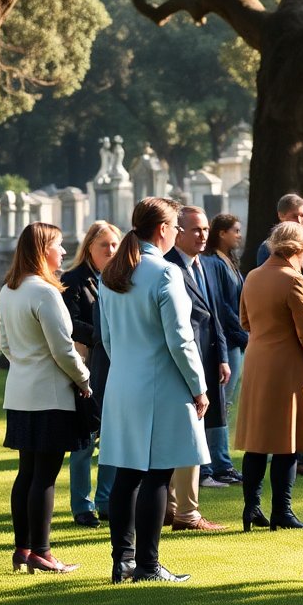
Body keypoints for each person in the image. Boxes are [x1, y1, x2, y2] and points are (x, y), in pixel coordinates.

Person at [98, 197, 211, 584]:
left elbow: (108, 340)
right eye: (177, 227)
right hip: (160, 385)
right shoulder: (164, 272)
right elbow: (180, 340)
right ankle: (147, 565)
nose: (179, 233)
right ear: (162, 229)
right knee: (158, 475)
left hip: (122, 383)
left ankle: (123, 561)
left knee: (127, 475)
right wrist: (199, 388)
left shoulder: (112, 272)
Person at [0, 222, 91, 574]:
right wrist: (84, 379)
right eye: (58, 245)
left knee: (27, 473)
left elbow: (6, 345)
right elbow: (63, 349)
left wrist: (25, 365)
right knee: (45, 476)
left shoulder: (10, 290)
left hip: (20, 391)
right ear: (42, 251)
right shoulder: (45, 292)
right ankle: (42, 550)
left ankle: (23, 548)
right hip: (50, 394)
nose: (64, 251)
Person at [234, 222, 303, 530]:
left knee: (258, 442)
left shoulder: (252, 276)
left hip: (257, 362)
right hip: (289, 366)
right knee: (287, 443)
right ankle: (282, 511)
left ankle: (251, 508)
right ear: (297, 250)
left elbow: (244, 321)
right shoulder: (294, 280)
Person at [163, 206, 232, 529]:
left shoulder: (206, 265)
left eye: (205, 229)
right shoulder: (169, 267)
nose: (203, 235)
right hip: (183, 361)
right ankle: (178, 509)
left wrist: (222, 356)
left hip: (208, 356)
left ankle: (178, 507)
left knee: (202, 429)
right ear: (178, 232)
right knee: (184, 435)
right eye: (195, 230)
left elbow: (214, 312)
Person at [59, 220, 121, 529]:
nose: (110, 250)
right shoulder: (73, 279)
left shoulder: (121, 279)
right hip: (85, 365)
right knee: (85, 441)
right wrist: (102, 335)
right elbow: (68, 322)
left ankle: (106, 500)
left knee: (112, 438)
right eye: (104, 245)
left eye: (114, 245)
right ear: (89, 248)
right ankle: (82, 505)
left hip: (116, 368)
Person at [202, 213, 247, 481]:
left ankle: (221, 460)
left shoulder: (228, 261)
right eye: (235, 231)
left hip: (235, 339)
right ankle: (218, 463)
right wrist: (243, 333)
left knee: (226, 403)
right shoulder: (213, 262)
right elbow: (222, 306)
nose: (239, 235)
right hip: (228, 341)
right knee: (222, 403)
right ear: (222, 233)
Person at [256, 193, 303, 268]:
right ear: (281, 216)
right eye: (294, 216)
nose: (299, 221)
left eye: (302, 215)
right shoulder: (268, 248)